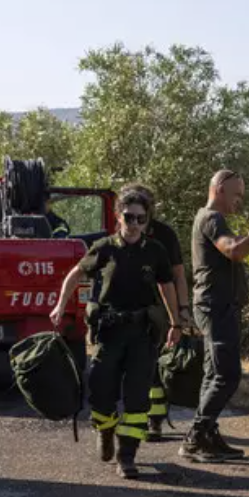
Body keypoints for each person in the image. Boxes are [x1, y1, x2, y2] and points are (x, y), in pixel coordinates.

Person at [50, 189, 182, 479]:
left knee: (137, 398)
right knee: (100, 390)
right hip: (109, 333)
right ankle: (105, 430)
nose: (134, 223)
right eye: (129, 217)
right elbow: (76, 273)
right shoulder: (104, 248)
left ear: (147, 220)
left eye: (140, 218)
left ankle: (127, 455)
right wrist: (60, 305)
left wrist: (176, 323)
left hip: (142, 334)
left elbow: (167, 286)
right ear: (118, 216)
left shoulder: (155, 251)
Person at [179, 169, 249, 463]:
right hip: (216, 307)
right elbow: (235, 251)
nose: (239, 201)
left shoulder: (211, 219)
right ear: (219, 189)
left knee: (213, 373)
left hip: (220, 307)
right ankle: (197, 437)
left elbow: (241, 249)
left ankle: (208, 433)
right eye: (236, 194)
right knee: (227, 375)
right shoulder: (212, 219)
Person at [117, 183, 194, 441]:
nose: (135, 219)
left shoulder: (164, 235)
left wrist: (182, 311)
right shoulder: (121, 231)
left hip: (158, 311)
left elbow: (178, 276)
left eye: (143, 210)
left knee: (152, 366)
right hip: (126, 310)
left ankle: (154, 420)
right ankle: (139, 417)